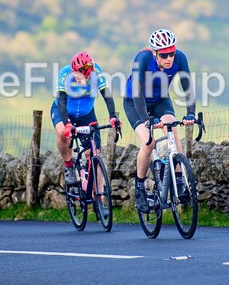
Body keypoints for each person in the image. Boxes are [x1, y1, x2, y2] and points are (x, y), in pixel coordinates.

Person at [124, 28, 196, 211]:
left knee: (172, 131)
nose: (169, 58)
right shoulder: (142, 59)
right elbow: (137, 94)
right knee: (148, 143)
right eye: (164, 55)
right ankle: (140, 188)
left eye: (171, 53)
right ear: (155, 53)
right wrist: (146, 120)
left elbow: (187, 87)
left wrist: (191, 114)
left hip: (160, 100)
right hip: (135, 102)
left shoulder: (180, 58)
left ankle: (179, 182)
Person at [51, 51, 120, 186]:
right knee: (62, 132)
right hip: (64, 111)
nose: (78, 80)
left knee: (94, 154)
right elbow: (62, 102)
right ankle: (69, 166)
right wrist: (67, 124)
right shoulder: (64, 74)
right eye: (76, 76)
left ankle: (98, 196)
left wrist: (112, 116)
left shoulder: (96, 72)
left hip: (86, 113)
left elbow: (106, 94)